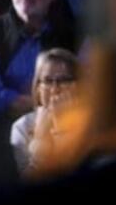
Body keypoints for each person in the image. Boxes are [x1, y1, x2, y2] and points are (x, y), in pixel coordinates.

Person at [10, 48, 79, 176]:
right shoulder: (22, 127)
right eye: (47, 81)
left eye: (64, 80)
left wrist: (62, 128)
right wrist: (41, 141)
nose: (55, 88)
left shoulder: (91, 121)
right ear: (38, 89)